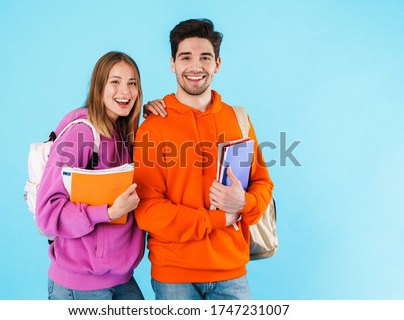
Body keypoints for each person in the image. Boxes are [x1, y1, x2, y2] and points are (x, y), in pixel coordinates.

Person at [133, 19, 274, 300]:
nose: (196, 67)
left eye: (205, 57)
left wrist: (243, 203)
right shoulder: (153, 126)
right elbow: (148, 210)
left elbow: (262, 186)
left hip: (232, 272)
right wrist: (219, 218)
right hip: (174, 275)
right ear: (172, 64)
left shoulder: (238, 119)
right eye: (186, 57)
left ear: (217, 64)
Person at [36, 51, 145, 300]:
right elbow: (47, 214)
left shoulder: (126, 135)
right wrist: (108, 212)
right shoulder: (81, 135)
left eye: (132, 83)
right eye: (115, 82)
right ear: (99, 86)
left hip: (123, 279)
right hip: (79, 285)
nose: (125, 92)